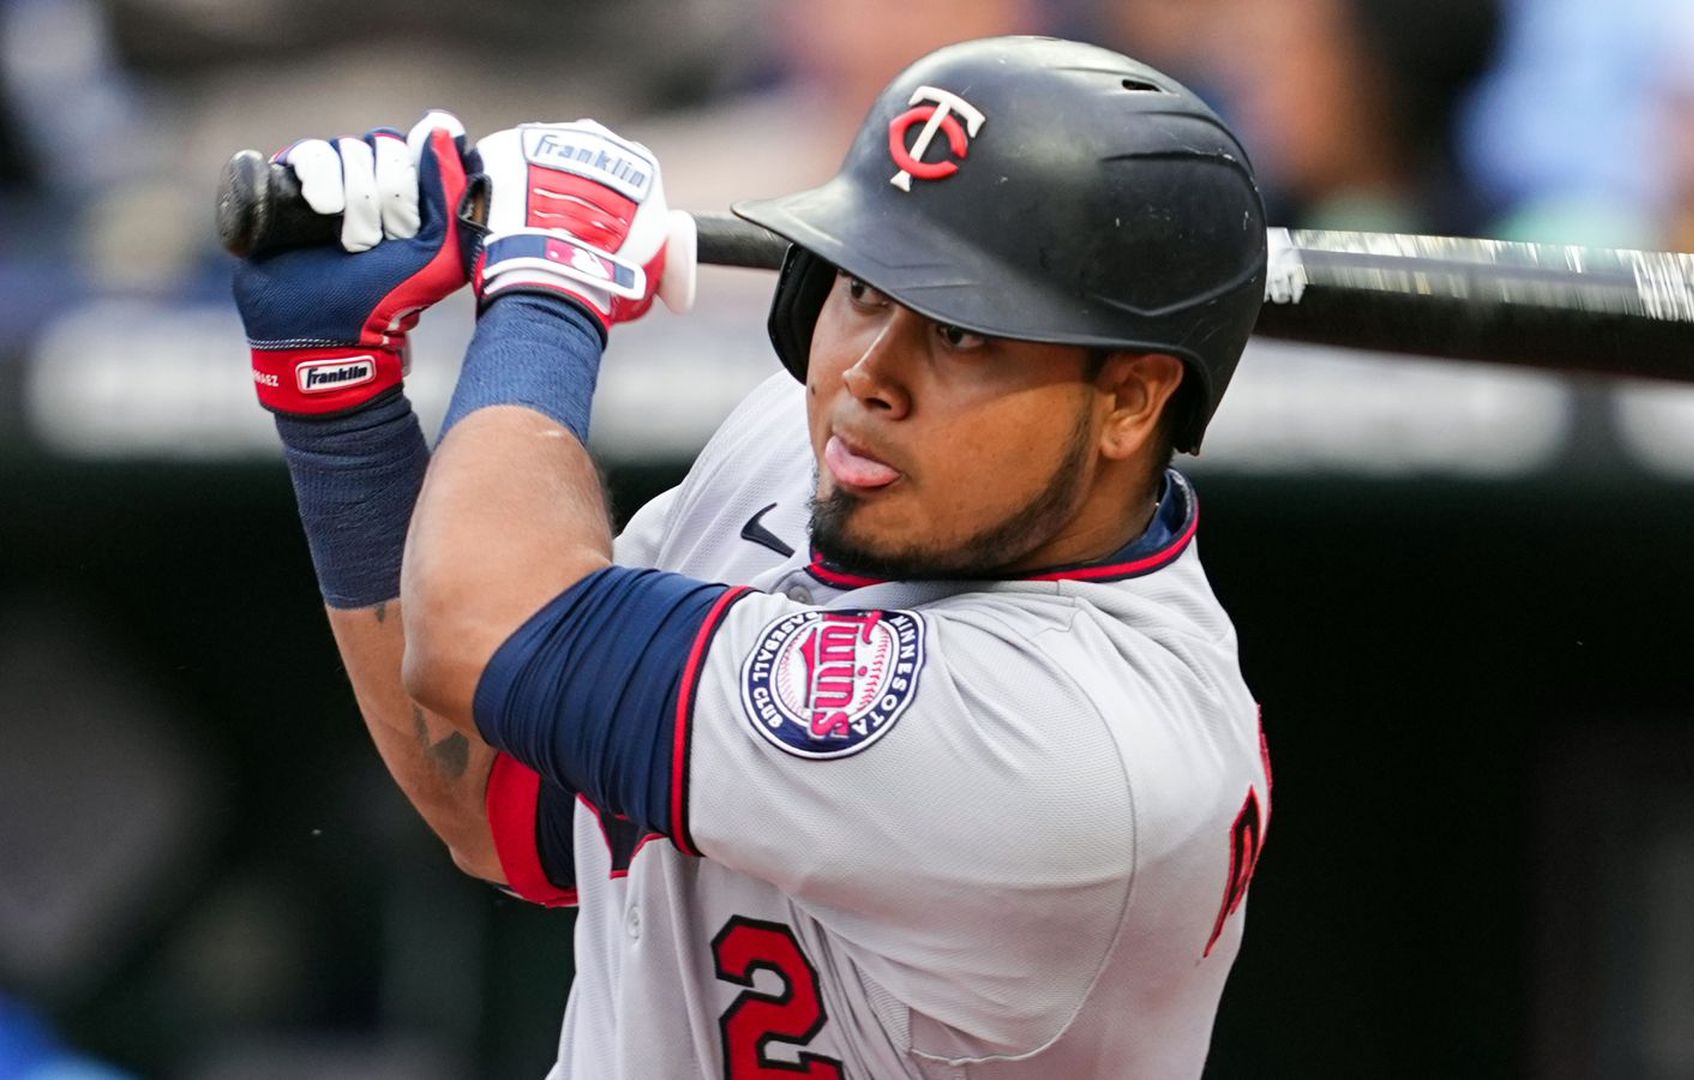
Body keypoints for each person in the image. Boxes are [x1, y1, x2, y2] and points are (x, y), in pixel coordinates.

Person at [232, 36, 1271, 1079]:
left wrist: (552, 285)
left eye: (962, 333)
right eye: (864, 288)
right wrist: (341, 402)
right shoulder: (818, 452)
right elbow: (499, 798)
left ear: (1131, 401)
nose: (869, 375)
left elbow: (485, 633)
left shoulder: (1080, 743)